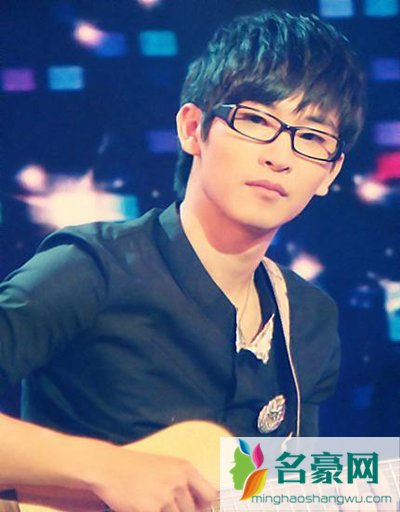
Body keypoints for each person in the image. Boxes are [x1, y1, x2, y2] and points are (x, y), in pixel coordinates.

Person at [0, 9, 365, 512]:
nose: (280, 156)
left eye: (311, 137)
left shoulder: (310, 319)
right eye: (256, 120)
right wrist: (104, 468)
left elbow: (280, 493)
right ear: (193, 128)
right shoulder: (90, 269)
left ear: (330, 173)